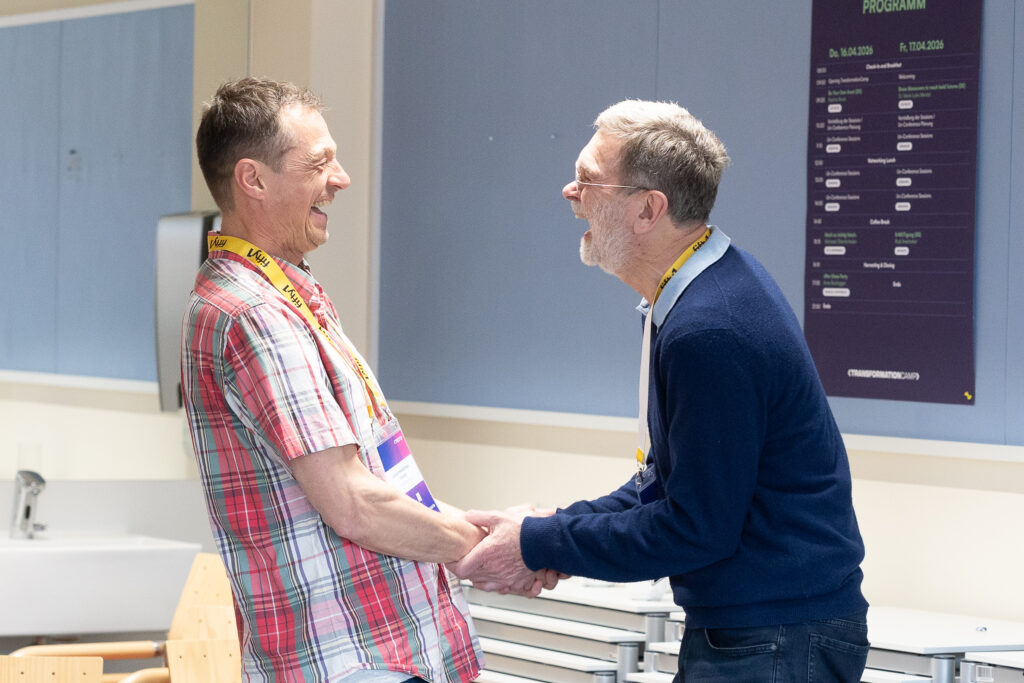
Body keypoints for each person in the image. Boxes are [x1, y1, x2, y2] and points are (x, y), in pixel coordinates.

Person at [453, 100, 870, 682]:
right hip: (769, 630)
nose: (570, 193)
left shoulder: (711, 328)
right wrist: (551, 527)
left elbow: (695, 527)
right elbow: (668, 484)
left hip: (774, 639)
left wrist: (541, 543)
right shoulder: (709, 289)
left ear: (648, 209)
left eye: (588, 180)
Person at [181, 77, 487, 682]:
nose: (341, 179)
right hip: (351, 659)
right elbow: (352, 504)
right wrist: (485, 547)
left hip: (382, 650)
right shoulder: (255, 314)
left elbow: (374, 478)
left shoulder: (284, 298)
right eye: (318, 163)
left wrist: (481, 528)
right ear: (253, 180)